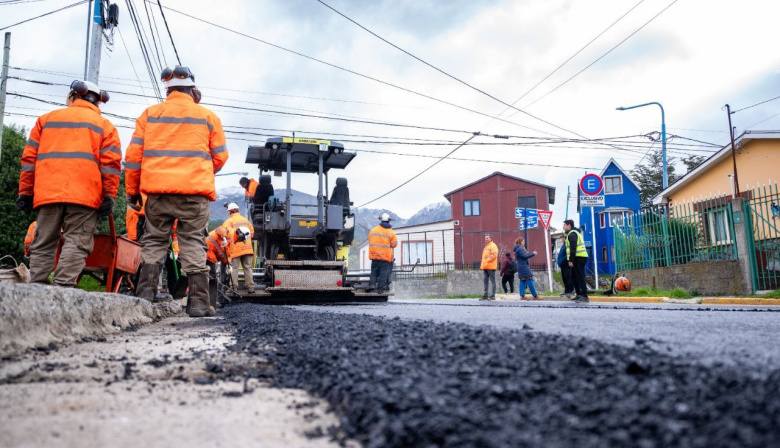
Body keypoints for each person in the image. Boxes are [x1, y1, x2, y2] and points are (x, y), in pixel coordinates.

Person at [125, 65, 228, 317]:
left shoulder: (150, 114)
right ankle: (199, 304)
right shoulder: (207, 116)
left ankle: (145, 295)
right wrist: (197, 172)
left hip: (157, 193)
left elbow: (133, 157)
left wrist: (132, 190)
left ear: (168, 90)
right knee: (193, 241)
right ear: (192, 89)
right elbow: (220, 157)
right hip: (194, 193)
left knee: (154, 240)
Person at [17, 80, 121, 287]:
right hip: (86, 196)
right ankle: (63, 288)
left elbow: (29, 160)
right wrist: (109, 195)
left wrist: (25, 192)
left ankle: (36, 288)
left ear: (72, 96)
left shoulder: (45, 121)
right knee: (77, 241)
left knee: (44, 241)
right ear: (97, 102)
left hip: (48, 193)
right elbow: (111, 165)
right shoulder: (105, 127)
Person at [222, 202, 255, 291]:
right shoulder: (246, 220)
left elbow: (223, 235)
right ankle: (250, 287)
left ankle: (234, 287)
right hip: (247, 248)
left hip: (235, 249)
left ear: (229, 212)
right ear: (238, 210)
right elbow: (251, 234)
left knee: (234, 268)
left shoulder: (228, 222)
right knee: (248, 267)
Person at [203, 226, 231, 313]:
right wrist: (224, 237)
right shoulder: (225, 231)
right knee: (212, 278)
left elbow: (224, 253)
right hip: (207, 254)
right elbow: (220, 230)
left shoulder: (224, 240)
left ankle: (210, 300)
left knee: (211, 277)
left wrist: (227, 264)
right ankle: (210, 301)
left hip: (207, 253)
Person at [367, 213, 397, 293]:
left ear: (381, 220)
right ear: (389, 221)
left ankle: (372, 285)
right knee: (383, 273)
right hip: (385, 257)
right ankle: (380, 289)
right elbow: (394, 245)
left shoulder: (373, 230)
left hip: (375, 256)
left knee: (374, 272)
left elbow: (370, 240)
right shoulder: (391, 232)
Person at [563, 219, 589, 303]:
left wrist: (571, 260)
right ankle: (579, 294)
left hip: (579, 257)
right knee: (574, 276)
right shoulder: (572, 233)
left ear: (569, 225)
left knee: (580, 276)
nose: (563, 227)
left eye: (564, 225)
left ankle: (584, 295)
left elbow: (573, 247)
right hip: (578, 257)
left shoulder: (572, 234)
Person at [480, 234, 498, 300]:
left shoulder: (493, 246)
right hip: (485, 266)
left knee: (492, 281)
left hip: (491, 266)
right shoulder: (486, 247)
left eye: (487, 238)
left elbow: (494, 255)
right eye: (485, 238)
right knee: (485, 281)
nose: (486, 239)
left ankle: (492, 295)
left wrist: (487, 261)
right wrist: (483, 262)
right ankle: (485, 295)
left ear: (490, 238)